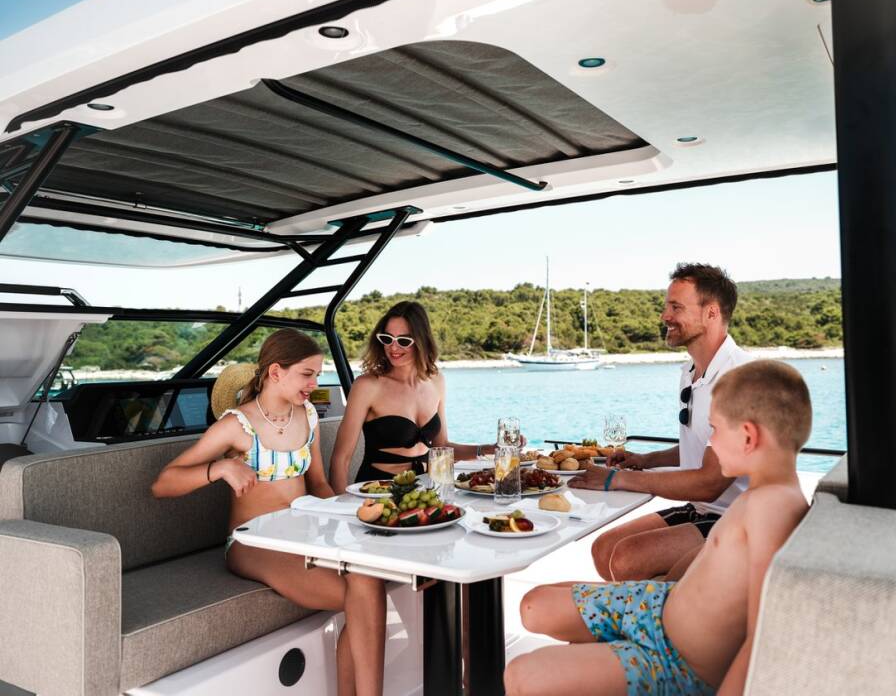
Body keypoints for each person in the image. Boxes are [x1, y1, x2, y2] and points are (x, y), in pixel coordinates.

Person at [505, 360, 812, 696]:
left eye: (714, 430)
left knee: (521, 676)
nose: (710, 442)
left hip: (673, 660)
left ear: (748, 437)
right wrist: (665, 586)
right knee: (533, 605)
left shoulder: (773, 509)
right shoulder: (762, 494)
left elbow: (764, 629)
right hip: (655, 606)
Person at [152, 329, 386, 696]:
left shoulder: (307, 415)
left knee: (368, 580)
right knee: (361, 598)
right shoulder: (236, 425)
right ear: (276, 372)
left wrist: (351, 518)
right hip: (254, 543)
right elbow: (163, 484)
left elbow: (319, 484)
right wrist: (219, 469)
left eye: (317, 374)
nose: (314, 384)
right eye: (307, 374)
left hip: (303, 534)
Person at [570, 263, 753, 581]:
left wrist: (616, 479)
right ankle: (653, 605)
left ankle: (663, 606)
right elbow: (704, 446)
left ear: (711, 312)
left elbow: (710, 482)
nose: (664, 316)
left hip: (741, 518)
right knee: (604, 549)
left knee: (626, 560)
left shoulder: (740, 378)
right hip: (702, 509)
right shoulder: (690, 372)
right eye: (666, 306)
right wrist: (647, 460)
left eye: (676, 307)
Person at [330, 300, 494, 487]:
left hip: (425, 489)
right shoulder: (367, 386)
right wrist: (339, 502)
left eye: (403, 341)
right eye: (387, 339)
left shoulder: (436, 381)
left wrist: (487, 450)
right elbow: (341, 458)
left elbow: (442, 447)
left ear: (421, 342)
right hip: (378, 492)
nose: (393, 347)